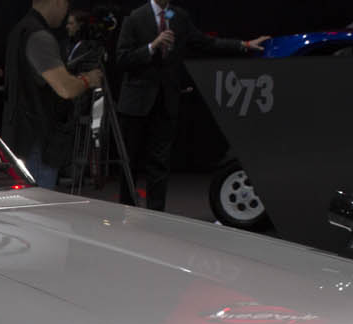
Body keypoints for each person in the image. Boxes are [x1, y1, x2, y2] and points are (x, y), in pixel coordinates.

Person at [115, 0, 268, 211]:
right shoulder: (134, 18)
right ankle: (125, 209)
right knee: (129, 160)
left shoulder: (180, 17)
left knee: (160, 163)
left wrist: (244, 44)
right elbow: (122, 59)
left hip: (167, 100)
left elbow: (207, 43)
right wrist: (152, 46)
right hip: (136, 102)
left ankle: (156, 214)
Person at [2, 0, 103, 190]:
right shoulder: (39, 36)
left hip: (19, 135)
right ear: (58, 2)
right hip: (38, 141)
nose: (66, 12)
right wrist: (88, 79)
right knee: (40, 202)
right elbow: (65, 88)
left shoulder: (20, 30)